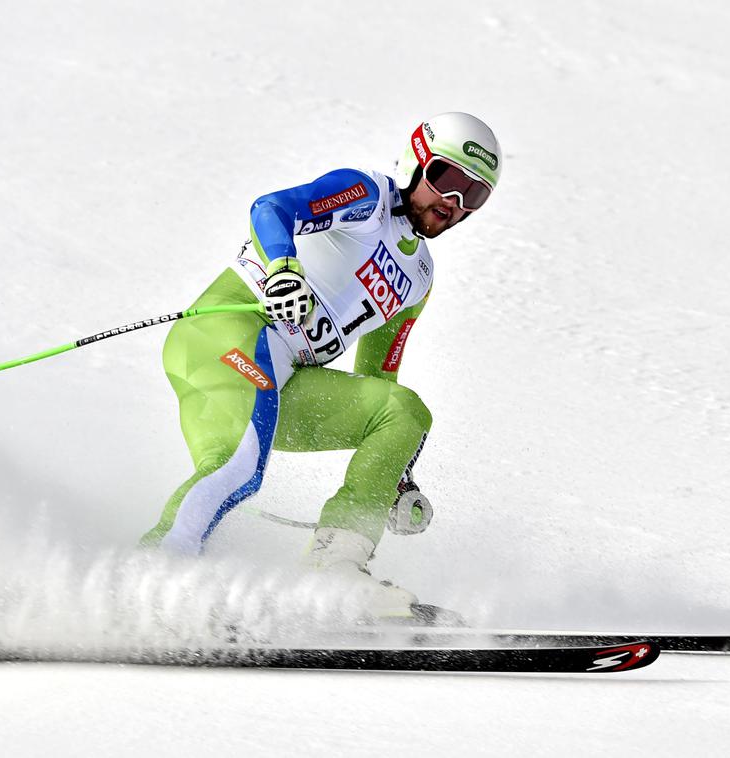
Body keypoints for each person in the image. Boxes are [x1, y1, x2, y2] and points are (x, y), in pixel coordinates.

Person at [140, 112, 502, 620]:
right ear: (416, 161)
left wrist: (395, 475)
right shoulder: (366, 197)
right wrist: (284, 270)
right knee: (237, 466)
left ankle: (334, 573)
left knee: (403, 414)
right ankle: (148, 581)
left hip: (285, 379)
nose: (454, 202)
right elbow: (271, 209)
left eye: (474, 196)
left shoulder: (418, 277)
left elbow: (377, 383)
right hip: (229, 338)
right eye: (448, 179)